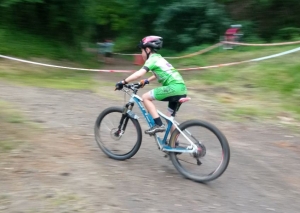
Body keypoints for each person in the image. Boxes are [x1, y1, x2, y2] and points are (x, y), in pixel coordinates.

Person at [115, 36, 187, 135]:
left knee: (145, 97)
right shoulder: (159, 58)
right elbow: (158, 74)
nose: (141, 54)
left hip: (173, 88)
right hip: (181, 88)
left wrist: (123, 82)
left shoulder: (152, 59)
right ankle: (174, 145)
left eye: (142, 51)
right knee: (169, 118)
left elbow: (139, 74)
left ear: (147, 49)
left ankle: (158, 124)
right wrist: (146, 81)